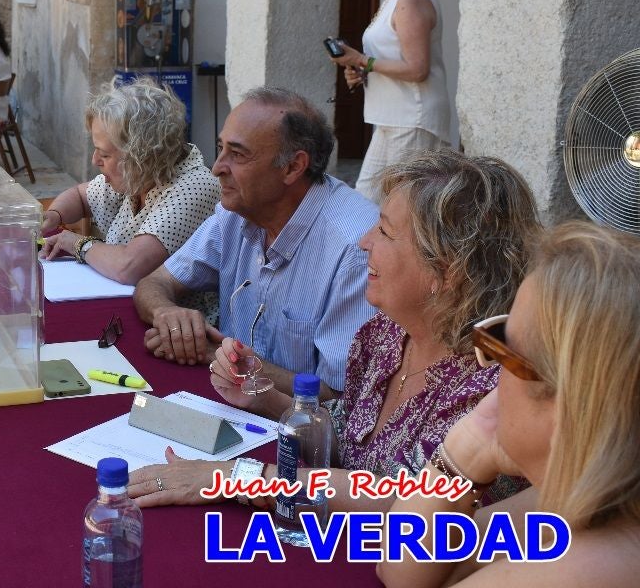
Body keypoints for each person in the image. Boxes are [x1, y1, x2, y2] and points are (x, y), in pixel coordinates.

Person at [129, 150, 539, 513]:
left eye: (385, 231)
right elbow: (347, 437)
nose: (364, 242)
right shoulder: (386, 335)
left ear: (446, 271)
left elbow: (410, 500)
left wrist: (239, 477)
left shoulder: (493, 379)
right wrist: (264, 397)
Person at [378, 221, 640, 588]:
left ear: (567, 396)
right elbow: (402, 567)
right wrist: (468, 449)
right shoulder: (578, 498)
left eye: (503, 345)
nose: (488, 366)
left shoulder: (591, 567)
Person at [133, 88, 376, 398]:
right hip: (234, 406)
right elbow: (154, 282)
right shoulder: (234, 214)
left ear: (292, 167)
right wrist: (167, 314)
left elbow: (339, 398)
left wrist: (216, 354)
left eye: (238, 154)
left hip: (300, 437)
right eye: (220, 148)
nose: (217, 168)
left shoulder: (354, 248)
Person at [39, 77, 220, 285]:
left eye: (105, 154)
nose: (94, 160)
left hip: (173, 314)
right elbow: (80, 196)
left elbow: (130, 267)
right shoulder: (140, 176)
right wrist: (54, 215)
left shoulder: (194, 186)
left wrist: (77, 244)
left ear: (142, 155)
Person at [331, 0, 458, 202]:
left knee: (399, 207)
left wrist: (364, 61)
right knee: (365, 203)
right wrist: (363, 71)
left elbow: (417, 68)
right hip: (394, 119)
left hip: (412, 121)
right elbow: (395, 61)